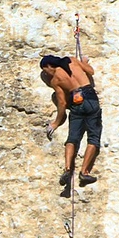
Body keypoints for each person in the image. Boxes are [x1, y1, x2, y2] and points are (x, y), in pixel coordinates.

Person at [39, 54, 102, 188]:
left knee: (72, 138)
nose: (47, 74)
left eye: (45, 70)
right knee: (93, 138)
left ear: (50, 66)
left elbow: (62, 103)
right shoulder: (73, 61)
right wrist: (83, 62)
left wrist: (56, 122)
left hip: (76, 100)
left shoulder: (56, 80)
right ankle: (84, 172)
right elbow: (91, 71)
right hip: (90, 97)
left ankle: (68, 169)